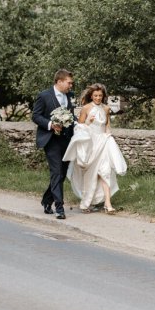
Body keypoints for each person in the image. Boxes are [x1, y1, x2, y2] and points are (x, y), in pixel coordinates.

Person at [63, 83, 127, 214]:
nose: (98, 98)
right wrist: (88, 123)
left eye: (100, 95)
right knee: (91, 174)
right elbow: (79, 128)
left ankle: (108, 204)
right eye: (95, 95)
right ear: (91, 96)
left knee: (105, 171)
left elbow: (107, 126)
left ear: (103, 96)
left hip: (102, 142)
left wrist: (109, 136)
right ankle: (85, 203)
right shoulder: (86, 108)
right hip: (90, 144)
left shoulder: (106, 109)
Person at [32, 69, 75, 220]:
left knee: (61, 174)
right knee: (56, 172)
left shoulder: (70, 96)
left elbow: (72, 115)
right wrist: (51, 124)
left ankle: (46, 200)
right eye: (69, 82)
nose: (71, 85)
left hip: (67, 140)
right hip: (51, 139)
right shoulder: (44, 96)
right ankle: (59, 208)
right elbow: (36, 116)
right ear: (59, 81)